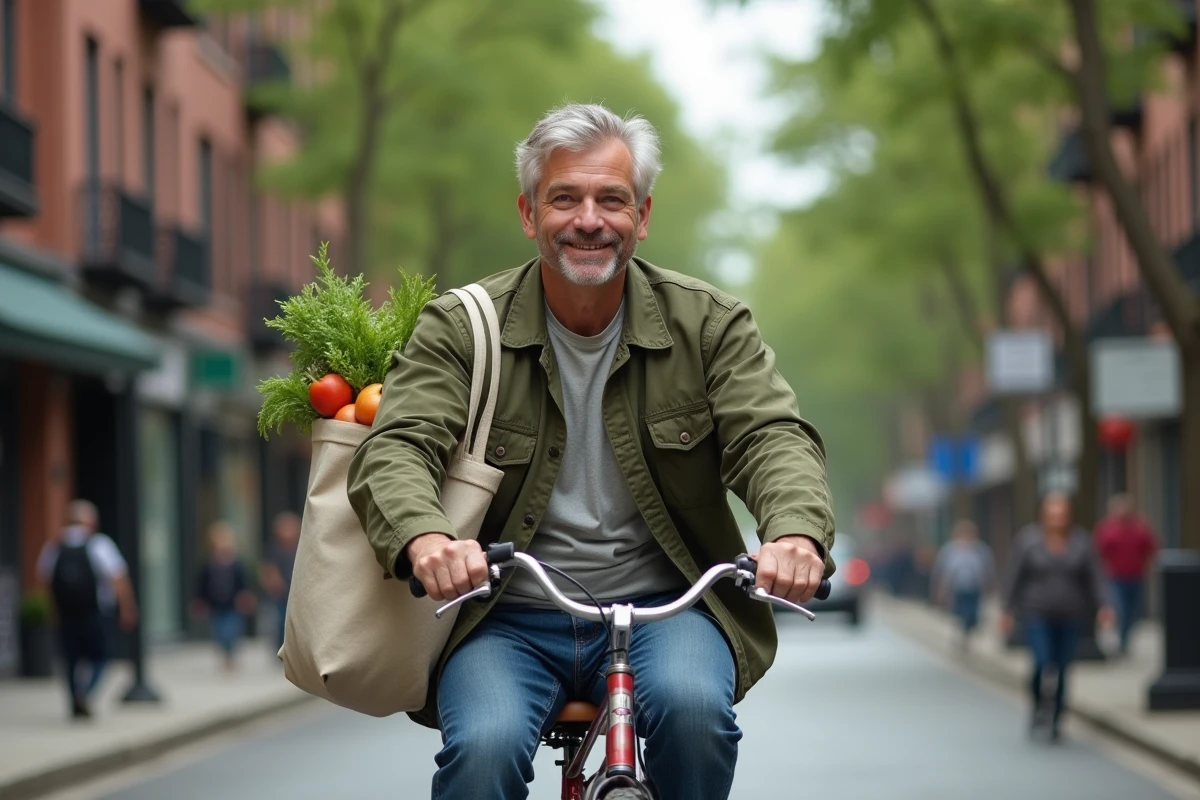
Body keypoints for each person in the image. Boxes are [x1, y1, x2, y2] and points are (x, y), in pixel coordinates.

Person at [348, 103, 834, 800]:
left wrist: (793, 534)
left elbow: (771, 437)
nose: (589, 219)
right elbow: (397, 445)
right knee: (482, 752)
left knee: (698, 718)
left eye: (612, 199)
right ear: (527, 213)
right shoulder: (460, 327)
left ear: (643, 214)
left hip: (669, 611)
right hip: (505, 617)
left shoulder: (709, 324)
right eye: (564, 198)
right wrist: (426, 538)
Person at [1000, 493, 1113, 742]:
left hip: (1071, 614)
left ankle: (1057, 718)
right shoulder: (1027, 541)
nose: (1056, 518)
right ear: (1043, 514)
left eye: (1061, 513)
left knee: (1063, 667)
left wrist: (1105, 606)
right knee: (1042, 662)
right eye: (1052, 513)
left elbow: (1095, 577)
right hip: (1036, 613)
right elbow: (1013, 577)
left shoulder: (1082, 542)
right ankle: (1039, 705)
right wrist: (1006, 610)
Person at [36, 499, 139, 719]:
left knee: (71, 659)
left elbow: (44, 581)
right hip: (96, 613)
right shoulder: (99, 544)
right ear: (90, 522)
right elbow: (118, 578)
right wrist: (127, 607)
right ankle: (85, 693)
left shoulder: (54, 545)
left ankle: (75, 697)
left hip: (66, 614)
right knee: (101, 655)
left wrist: (51, 611)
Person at [1094, 493, 1158, 655]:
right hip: (1115, 578)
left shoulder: (1140, 528)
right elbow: (1097, 552)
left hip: (1136, 577)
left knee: (1132, 611)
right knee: (1120, 609)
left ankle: (1125, 638)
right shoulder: (1107, 529)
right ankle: (1121, 640)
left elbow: (1151, 548)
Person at [192, 522, 256, 672]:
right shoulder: (208, 563)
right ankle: (224, 654)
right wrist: (200, 601)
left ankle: (231, 656)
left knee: (232, 630)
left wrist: (245, 597)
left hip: (233, 603)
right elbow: (202, 583)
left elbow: (243, 582)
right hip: (216, 604)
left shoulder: (237, 563)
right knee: (219, 631)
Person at [931, 520, 995, 651]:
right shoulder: (949, 550)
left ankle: (968, 631)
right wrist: (941, 589)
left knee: (972, 614)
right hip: (957, 588)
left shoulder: (981, 550)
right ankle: (962, 633)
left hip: (974, 587)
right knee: (960, 612)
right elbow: (942, 570)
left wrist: (988, 585)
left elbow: (988, 568)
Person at [259, 511, 300, 652]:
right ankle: (281, 646)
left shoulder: (300, 547)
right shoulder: (274, 549)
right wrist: (272, 582)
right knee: (280, 620)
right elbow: (268, 569)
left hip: (298, 591)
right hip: (281, 593)